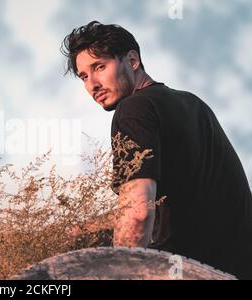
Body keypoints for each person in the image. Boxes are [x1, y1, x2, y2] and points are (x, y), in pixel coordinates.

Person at [61, 21, 252, 279]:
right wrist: (79, 228)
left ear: (132, 60)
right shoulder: (193, 104)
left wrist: (121, 274)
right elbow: (169, 202)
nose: (92, 84)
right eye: (84, 76)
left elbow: (138, 212)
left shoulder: (133, 110)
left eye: (100, 67)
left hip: (190, 271)